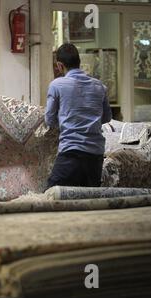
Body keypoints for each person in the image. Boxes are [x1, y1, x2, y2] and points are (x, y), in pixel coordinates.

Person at [45, 43, 112, 189]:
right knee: (89, 200)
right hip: (95, 155)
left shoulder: (57, 85)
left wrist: (68, 122)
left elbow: (49, 120)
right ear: (79, 63)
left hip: (70, 152)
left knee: (51, 195)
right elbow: (107, 118)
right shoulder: (100, 86)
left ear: (60, 65)